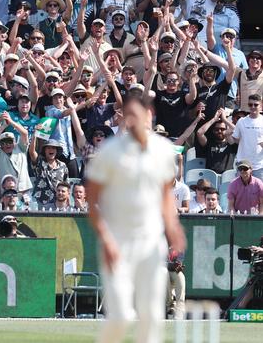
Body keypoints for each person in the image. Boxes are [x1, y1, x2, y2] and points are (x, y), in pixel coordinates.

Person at [86, 92, 186, 343]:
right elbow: (91, 201)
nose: (131, 122)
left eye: (136, 116)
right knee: (120, 316)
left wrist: (172, 227)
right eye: (126, 116)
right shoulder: (110, 152)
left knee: (151, 316)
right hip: (117, 240)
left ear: (149, 116)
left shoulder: (163, 151)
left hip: (151, 241)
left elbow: (165, 194)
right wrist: (106, 239)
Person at [230, 94, 263, 179]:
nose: (253, 107)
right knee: (240, 191)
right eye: (250, 104)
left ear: (261, 105)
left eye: (256, 105)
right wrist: (227, 135)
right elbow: (235, 140)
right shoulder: (241, 121)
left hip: (259, 165)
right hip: (242, 163)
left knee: (260, 192)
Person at [166, 248, 186, 319]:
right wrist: (171, 265)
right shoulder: (161, 243)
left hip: (172, 270)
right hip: (161, 271)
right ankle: (170, 306)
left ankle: (179, 310)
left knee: (180, 276)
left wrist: (176, 266)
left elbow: (178, 262)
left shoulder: (179, 245)